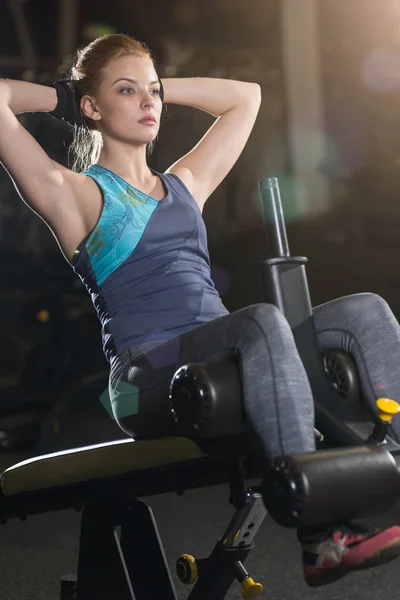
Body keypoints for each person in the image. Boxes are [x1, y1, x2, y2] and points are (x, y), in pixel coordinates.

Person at [0, 33, 400, 587]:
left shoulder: (185, 184)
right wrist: (66, 99)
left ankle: (395, 462)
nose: (148, 103)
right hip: (147, 378)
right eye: (126, 91)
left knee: (366, 312)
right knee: (261, 321)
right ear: (90, 106)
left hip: (225, 350)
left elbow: (247, 97)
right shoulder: (74, 193)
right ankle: (322, 538)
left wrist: (153, 84)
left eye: (154, 93)